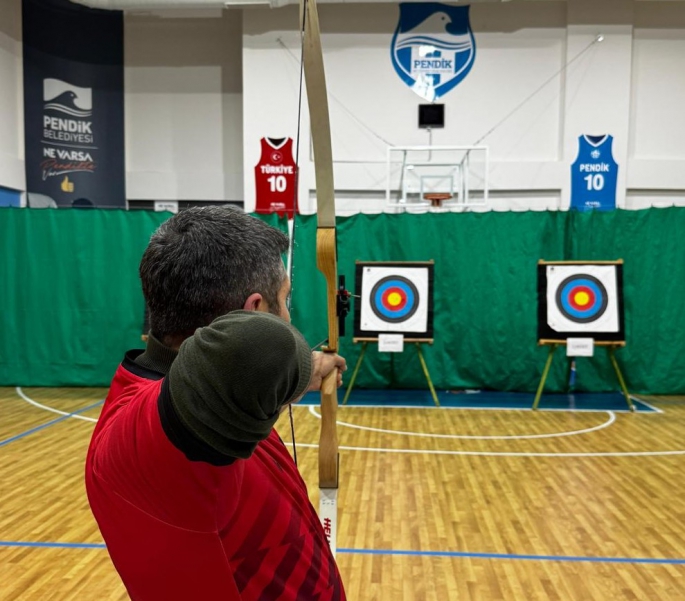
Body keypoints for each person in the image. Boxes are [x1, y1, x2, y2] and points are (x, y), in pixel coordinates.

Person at [85, 206, 347, 600]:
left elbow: (247, 367)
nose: (289, 313)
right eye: (285, 298)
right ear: (254, 311)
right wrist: (300, 369)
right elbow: (259, 349)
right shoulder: (140, 439)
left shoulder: (211, 412)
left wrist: (307, 374)